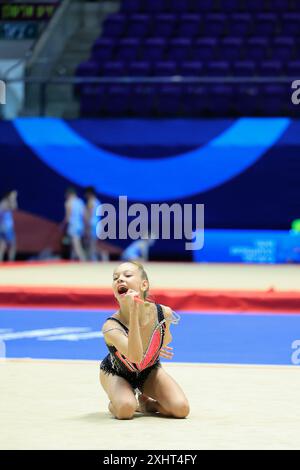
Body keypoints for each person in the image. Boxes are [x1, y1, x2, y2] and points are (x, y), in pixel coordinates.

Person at [100, 261, 190, 420]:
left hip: (149, 370)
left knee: (181, 409)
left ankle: (147, 405)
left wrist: (153, 347)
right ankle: (116, 403)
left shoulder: (163, 313)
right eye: (115, 278)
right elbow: (134, 357)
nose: (120, 279)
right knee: (126, 410)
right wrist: (134, 312)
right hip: (117, 372)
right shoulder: (111, 326)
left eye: (127, 275)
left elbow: (166, 338)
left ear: (143, 285)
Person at [84, 186, 106, 261]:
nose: (85, 195)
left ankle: (99, 256)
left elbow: (89, 215)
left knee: (91, 244)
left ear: (89, 193)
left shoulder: (91, 202)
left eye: (86, 194)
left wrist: (86, 227)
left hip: (93, 224)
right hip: (98, 224)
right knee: (93, 244)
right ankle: (99, 257)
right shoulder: (97, 201)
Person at [64, 187, 86, 261]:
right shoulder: (80, 202)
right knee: (74, 245)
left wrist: (62, 225)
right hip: (80, 225)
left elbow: (67, 217)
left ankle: (83, 261)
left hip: (73, 225)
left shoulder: (68, 203)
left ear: (69, 194)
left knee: (76, 245)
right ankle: (73, 261)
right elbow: (83, 215)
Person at [0, 189, 18, 262]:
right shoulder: (4, 202)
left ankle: (6, 262)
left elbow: (15, 207)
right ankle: (10, 262)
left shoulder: (6, 202)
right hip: (6, 228)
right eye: (13, 195)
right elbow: (13, 207)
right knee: (12, 245)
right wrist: (12, 199)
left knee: (3, 246)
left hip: (5, 227)